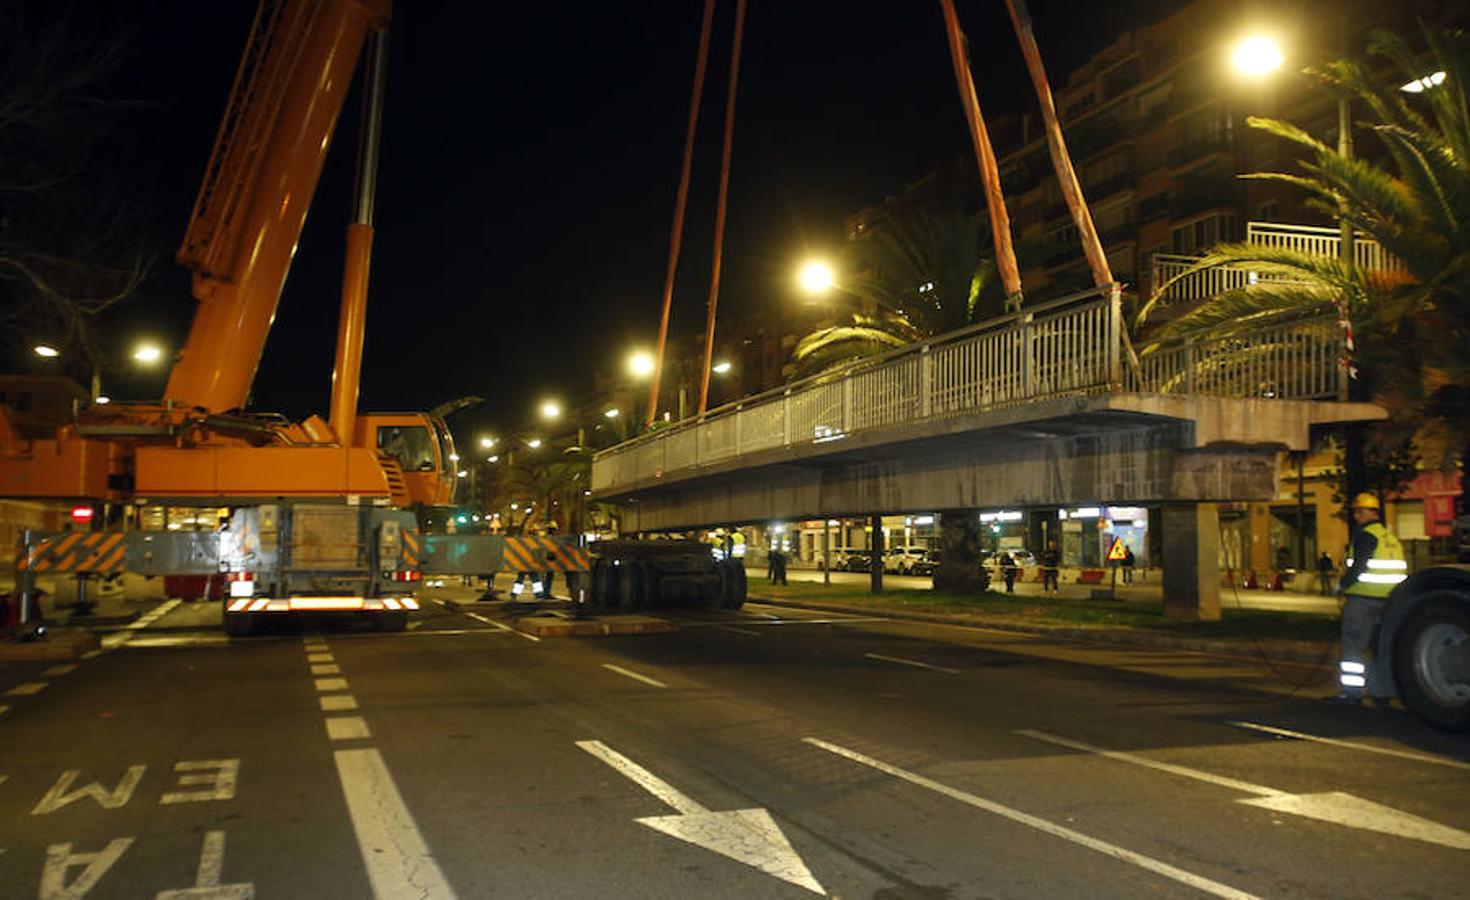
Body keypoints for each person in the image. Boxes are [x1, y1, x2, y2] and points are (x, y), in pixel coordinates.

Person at [1334, 493, 1406, 703]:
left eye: (1360, 511)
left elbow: (1359, 566)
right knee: (1381, 648)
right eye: (1355, 512)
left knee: (1353, 645)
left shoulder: (1365, 535)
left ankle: (1352, 693)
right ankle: (1382, 692)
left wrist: (1342, 586)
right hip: (1389, 601)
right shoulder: (1390, 538)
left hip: (1362, 599)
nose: (1356, 517)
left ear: (1372, 512)